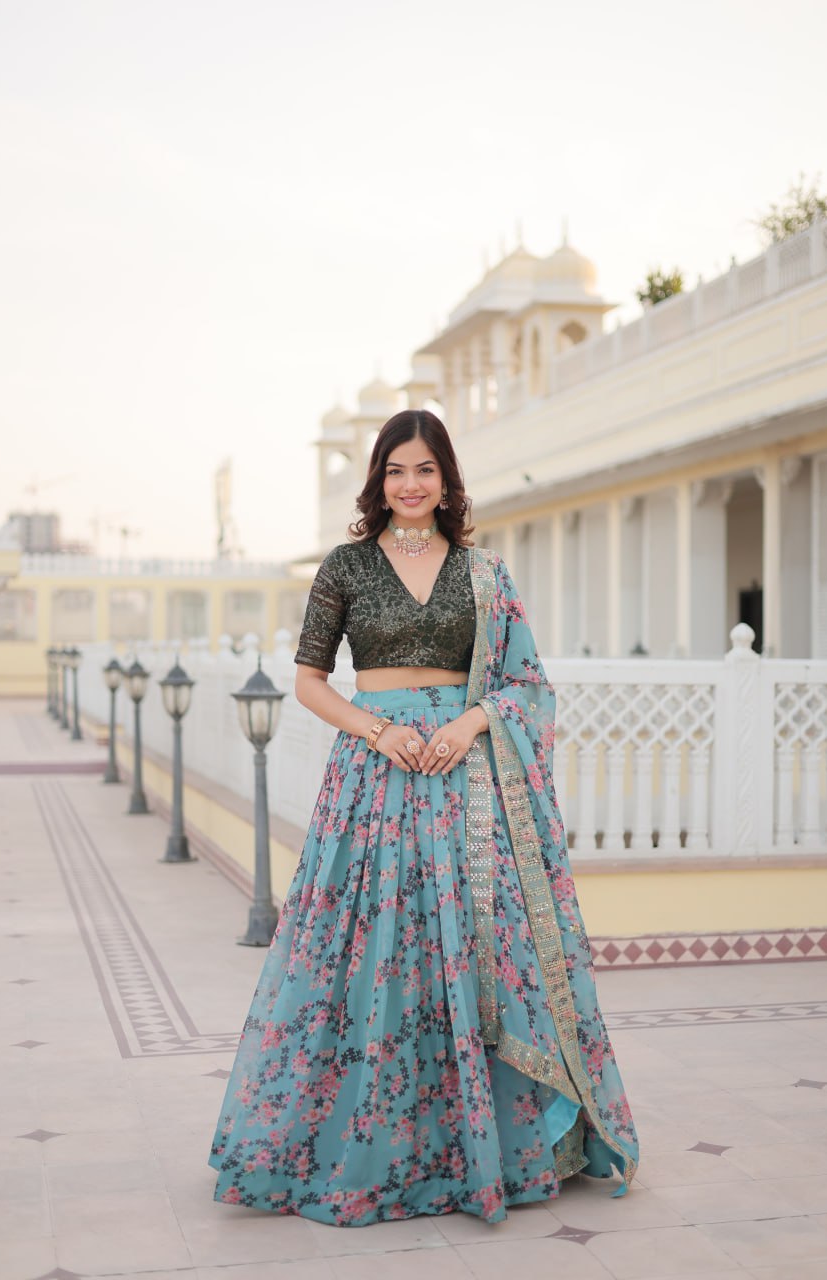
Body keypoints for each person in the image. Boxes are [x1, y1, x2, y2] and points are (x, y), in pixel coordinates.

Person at [208, 409, 638, 1225]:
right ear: (378, 480)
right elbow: (309, 681)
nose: (411, 485)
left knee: (478, 948)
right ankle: (365, 1148)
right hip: (374, 779)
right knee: (372, 947)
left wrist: (468, 725)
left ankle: (488, 1149)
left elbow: (526, 685)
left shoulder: (485, 573)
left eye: (425, 470)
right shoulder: (344, 566)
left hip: (466, 779)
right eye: (396, 471)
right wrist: (379, 732)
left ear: (446, 481)